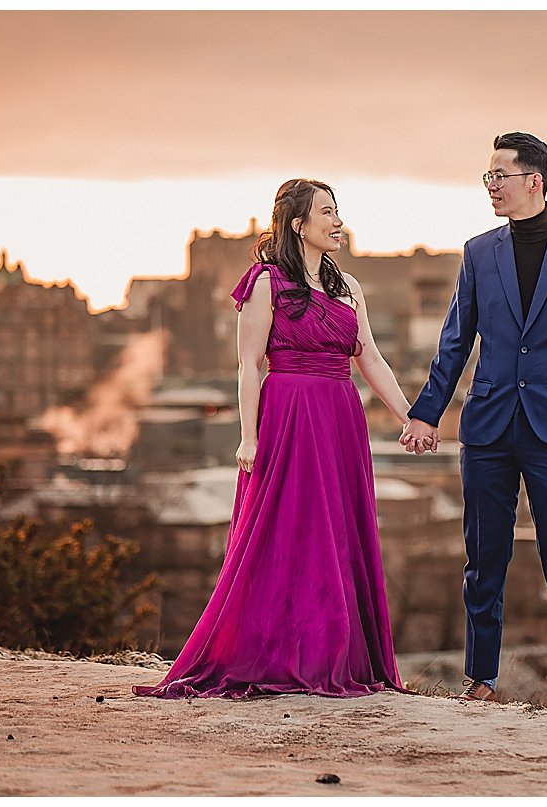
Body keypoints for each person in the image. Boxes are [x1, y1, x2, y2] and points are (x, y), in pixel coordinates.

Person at [134, 178, 415, 699]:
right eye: (326, 212)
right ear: (297, 224)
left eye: (339, 211)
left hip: (339, 417)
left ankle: (333, 653)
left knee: (336, 533)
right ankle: (279, 654)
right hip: (287, 415)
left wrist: (410, 416)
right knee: (286, 533)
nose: (338, 221)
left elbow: (370, 359)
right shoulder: (265, 282)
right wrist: (248, 437)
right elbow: (247, 364)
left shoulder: (348, 287)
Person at [401, 133, 547, 713]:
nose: (490, 184)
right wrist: (426, 411)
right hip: (488, 426)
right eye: (488, 176)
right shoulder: (478, 252)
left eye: (500, 174)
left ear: (534, 181)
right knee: (484, 556)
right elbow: (455, 341)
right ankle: (481, 679)